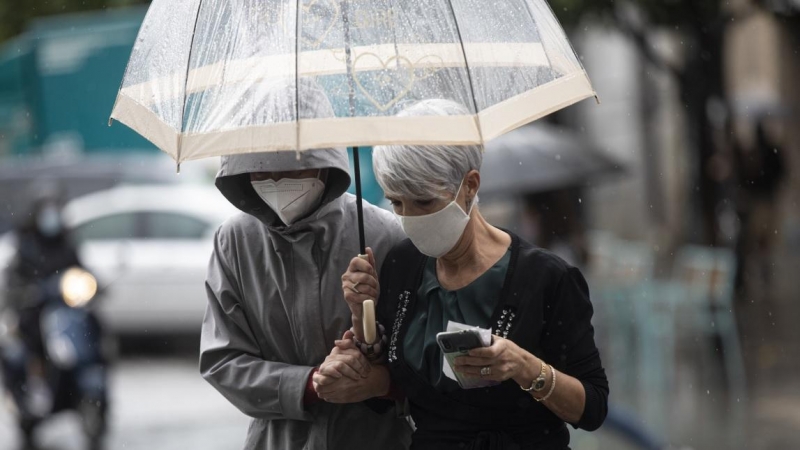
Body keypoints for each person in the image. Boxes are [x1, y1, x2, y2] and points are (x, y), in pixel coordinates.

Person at [318, 99, 609, 449]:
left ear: (469, 186)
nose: (409, 217)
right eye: (396, 203)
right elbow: (391, 389)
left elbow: (591, 408)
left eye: (424, 202)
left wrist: (523, 366)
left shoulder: (546, 277)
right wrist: (359, 326)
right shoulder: (402, 264)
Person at [199, 79, 412, 450]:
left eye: (294, 169)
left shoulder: (384, 235)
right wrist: (311, 384)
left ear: (324, 163)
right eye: (261, 171)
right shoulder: (235, 242)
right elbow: (223, 361)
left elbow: (419, 358)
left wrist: (371, 357)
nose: (277, 182)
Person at [1, 190, 82, 444]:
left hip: (64, 311)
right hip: (34, 313)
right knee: (28, 338)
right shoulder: (26, 246)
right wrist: (29, 291)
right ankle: (35, 386)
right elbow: (14, 280)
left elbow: (82, 269)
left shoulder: (66, 244)